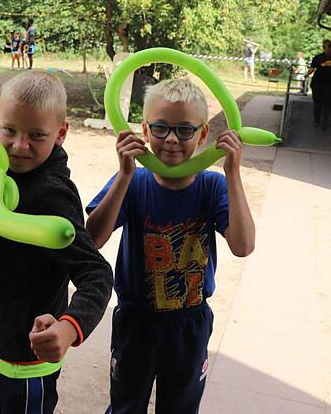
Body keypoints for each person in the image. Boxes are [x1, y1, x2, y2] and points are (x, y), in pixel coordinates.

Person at [86, 78, 256, 414]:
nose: (172, 139)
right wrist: (123, 176)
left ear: (203, 135)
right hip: (136, 323)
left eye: (184, 130)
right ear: (145, 131)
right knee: (125, 407)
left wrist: (233, 173)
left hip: (189, 325)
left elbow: (244, 245)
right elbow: (93, 239)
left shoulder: (212, 186)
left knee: (180, 408)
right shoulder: (132, 181)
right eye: (161, 128)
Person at [0, 71, 113, 413]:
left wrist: (69, 328)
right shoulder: (1, 174)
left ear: (61, 133)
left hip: (29, 366)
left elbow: (96, 273)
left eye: (36, 135)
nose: (19, 146)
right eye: (9, 130)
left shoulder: (53, 195)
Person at [305, 39, 331, 130]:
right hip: (322, 84)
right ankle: (321, 119)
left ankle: (320, 119)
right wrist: (307, 74)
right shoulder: (330, 58)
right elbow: (312, 68)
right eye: (327, 46)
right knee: (323, 103)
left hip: (323, 84)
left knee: (322, 103)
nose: (328, 48)